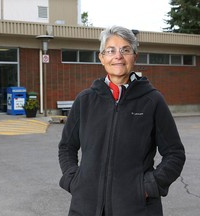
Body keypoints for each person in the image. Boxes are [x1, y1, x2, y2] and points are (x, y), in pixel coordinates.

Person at [58, 26, 186, 216]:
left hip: (136, 208)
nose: (118, 56)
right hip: (85, 207)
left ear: (134, 56)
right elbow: (67, 147)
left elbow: (175, 154)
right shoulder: (85, 100)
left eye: (125, 50)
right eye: (110, 50)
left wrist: (149, 186)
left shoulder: (152, 101)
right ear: (101, 57)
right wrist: (73, 180)